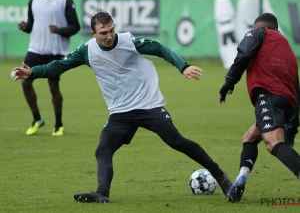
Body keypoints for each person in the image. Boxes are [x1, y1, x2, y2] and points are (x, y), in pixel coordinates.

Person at [13, 10, 232, 203]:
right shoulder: (86, 51)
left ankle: (221, 177)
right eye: (103, 33)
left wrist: (183, 66)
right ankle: (102, 193)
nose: (109, 36)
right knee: (103, 149)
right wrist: (33, 72)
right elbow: (58, 66)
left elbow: (159, 48)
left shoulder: (128, 41)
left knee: (176, 141)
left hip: (147, 104)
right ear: (94, 34)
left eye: (111, 30)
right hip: (120, 112)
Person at [218, 13, 300, 203]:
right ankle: (241, 179)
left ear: (258, 27)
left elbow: (245, 54)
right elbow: (297, 88)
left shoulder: (258, 33)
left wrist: (228, 83)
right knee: (250, 138)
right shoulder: (286, 47)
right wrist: (292, 130)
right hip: (287, 103)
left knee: (273, 143)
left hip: (268, 95)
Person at [17, 0, 81, 136]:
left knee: (53, 86)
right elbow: (32, 24)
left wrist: (60, 30)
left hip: (56, 49)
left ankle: (58, 124)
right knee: (25, 81)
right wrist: (25, 27)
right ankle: (37, 119)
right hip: (36, 48)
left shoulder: (65, 0)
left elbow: (75, 26)